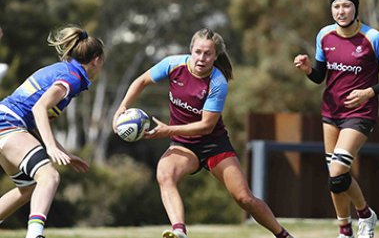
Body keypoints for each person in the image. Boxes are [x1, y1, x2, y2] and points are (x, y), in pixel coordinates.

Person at [113, 28, 294, 238]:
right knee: (165, 174)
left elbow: (206, 126)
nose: (202, 58)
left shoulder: (218, 82)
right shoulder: (173, 64)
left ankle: (283, 235)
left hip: (214, 146)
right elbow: (141, 81)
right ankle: (179, 231)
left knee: (244, 199)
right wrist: (121, 108)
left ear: (215, 56)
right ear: (191, 50)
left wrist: (167, 130)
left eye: (208, 53)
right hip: (183, 145)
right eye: (198, 52)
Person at [293, 0, 379, 238]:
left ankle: (365, 215)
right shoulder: (324, 35)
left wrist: (369, 92)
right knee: (336, 179)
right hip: (330, 112)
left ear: (355, 8)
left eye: (346, 6)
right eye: (336, 7)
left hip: (361, 112)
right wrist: (309, 69)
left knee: (338, 169)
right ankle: (345, 230)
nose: (340, 11)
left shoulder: (373, 38)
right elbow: (320, 77)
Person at [0, 25, 105, 238]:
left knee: (28, 188)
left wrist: (61, 150)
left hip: (7, 125)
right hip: (8, 123)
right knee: (49, 176)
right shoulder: (72, 77)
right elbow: (39, 108)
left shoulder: (65, 70)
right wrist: (49, 147)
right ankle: (35, 235)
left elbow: (38, 119)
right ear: (96, 60)